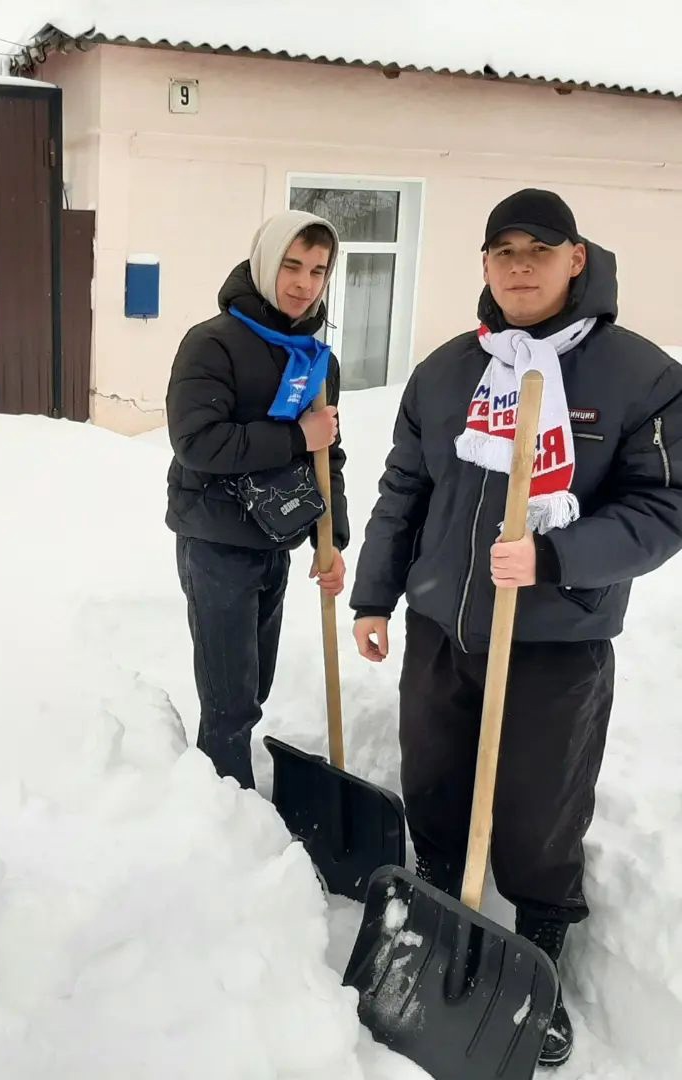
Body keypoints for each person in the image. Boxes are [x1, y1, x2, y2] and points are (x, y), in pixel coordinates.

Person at [349, 187, 682, 1067]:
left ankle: (537, 949)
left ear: (579, 258)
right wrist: (375, 597)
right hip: (441, 628)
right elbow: (404, 493)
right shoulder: (450, 371)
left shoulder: (640, 376)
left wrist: (558, 555)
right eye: (503, 251)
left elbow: (664, 508)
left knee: (540, 814)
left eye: (541, 249)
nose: (521, 265)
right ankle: (434, 916)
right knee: (434, 781)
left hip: (556, 645)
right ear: (486, 266)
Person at [165, 209, 349, 790]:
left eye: (319, 271)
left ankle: (230, 795)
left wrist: (332, 538)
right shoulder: (212, 344)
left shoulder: (315, 360)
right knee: (228, 698)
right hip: (216, 539)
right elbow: (197, 442)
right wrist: (297, 436)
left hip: (278, 538)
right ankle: (227, 813)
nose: (304, 283)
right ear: (265, 264)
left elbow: (328, 458)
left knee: (255, 683)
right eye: (292, 266)